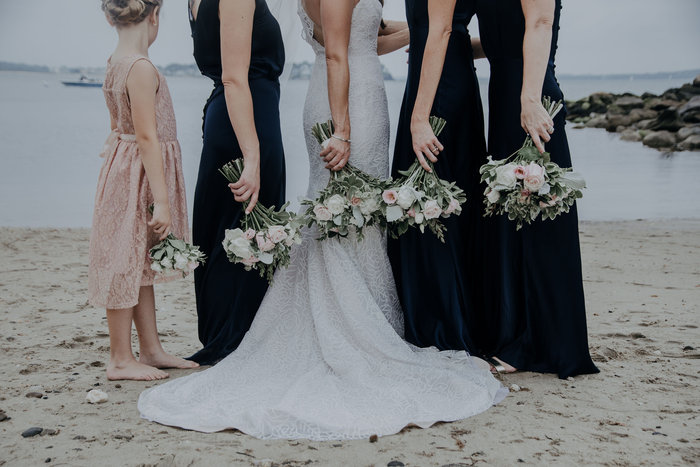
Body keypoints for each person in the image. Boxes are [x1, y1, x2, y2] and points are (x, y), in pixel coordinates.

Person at [138, 0, 505, 440]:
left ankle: (364, 317)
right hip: (346, 99)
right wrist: (343, 128)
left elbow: (361, 38)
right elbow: (335, 52)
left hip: (350, 87)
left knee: (358, 216)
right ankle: (349, 329)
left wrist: (428, 35)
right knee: (347, 212)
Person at [474, 0, 599, 378]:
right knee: (511, 220)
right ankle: (515, 334)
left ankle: (544, 344)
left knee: (544, 219)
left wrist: (529, 101)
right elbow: (502, 37)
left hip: (533, 96)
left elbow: (541, 22)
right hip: (505, 94)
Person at [89, 0, 199, 381]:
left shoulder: (115, 62)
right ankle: (120, 357)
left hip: (126, 167)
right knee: (123, 260)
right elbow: (147, 136)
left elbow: (116, 122)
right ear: (155, 16)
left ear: (109, 17)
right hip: (138, 172)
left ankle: (150, 349)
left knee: (139, 262)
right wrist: (163, 201)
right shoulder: (141, 68)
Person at [187, 0, 287, 365]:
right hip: (247, 122)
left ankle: (223, 335)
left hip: (227, 118)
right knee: (250, 232)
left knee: (224, 232)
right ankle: (235, 340)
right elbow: (233, 77)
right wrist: (253, 155)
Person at [388, 0, 489, 355]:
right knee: (432, 201)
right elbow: (447, 28)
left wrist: (420, 117)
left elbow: (443, 29)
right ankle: (449, 315)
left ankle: (443, 323)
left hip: (437, 91)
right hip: (436, 77)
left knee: (432, 202)